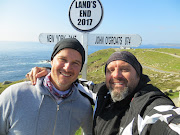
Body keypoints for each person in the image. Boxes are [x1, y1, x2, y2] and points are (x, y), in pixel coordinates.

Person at [26, 51, 180, 135]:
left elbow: (166, 117)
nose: (116, 75)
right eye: (110, 70)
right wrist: (51, 72)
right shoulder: (102, 93)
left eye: (125, 69)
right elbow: (77, 82)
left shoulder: (147, 101)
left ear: (138, 75)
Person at [0, 38, 93, 135]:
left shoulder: (83, 106)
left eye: (75, 63)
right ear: (52, 61)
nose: (67, 68)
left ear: (80, 69)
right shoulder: (14, 95)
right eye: (63, 59)